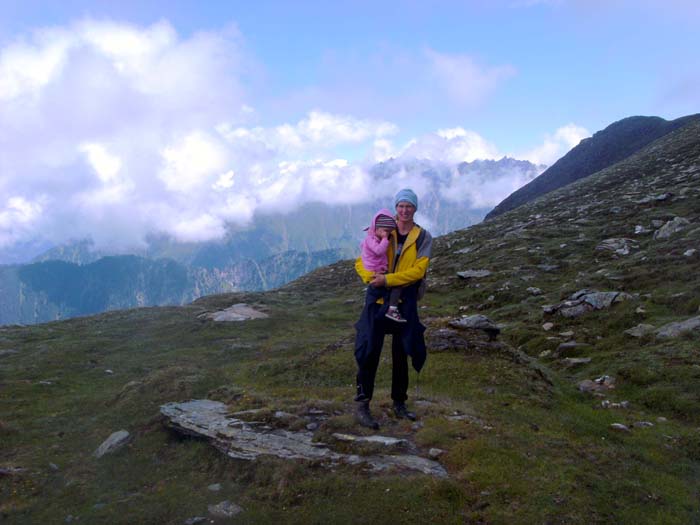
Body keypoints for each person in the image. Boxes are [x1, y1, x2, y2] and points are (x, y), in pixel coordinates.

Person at [353, 189, 433, 430]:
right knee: (369, 351)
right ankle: (362, 404)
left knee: (402, 353)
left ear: (415, 209)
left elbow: (419, 271)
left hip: (403, 302)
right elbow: (362, 259)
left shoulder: (423, 237)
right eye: (401, 206)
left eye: (409, 206)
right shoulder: (383, 228)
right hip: (377, 300)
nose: (404, 210)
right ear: (396, 208)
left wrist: (387, 281)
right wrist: (370, 278)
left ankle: (399, 403)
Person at [360, 209, 406, 323]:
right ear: (377, 228)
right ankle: (391, 309)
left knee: (380, 292)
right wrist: (385, 239)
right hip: (376, 270)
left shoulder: (374, 237)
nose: (388, 233)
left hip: (378, 269)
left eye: (389, 231)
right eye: (386, 231)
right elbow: (379, 251)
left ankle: (374, 311)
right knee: (395, 285)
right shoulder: (371, 239)